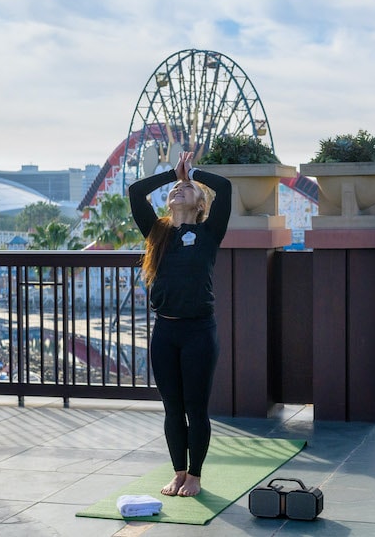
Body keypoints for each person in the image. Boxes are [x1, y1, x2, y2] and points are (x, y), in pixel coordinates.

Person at [128, 151, 231, 497]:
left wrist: (193, 172)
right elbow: (135, 192)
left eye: (187, 188)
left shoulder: (209, 231)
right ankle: (178, 472)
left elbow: (225, 188)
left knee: (195, 409)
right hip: (165, 332)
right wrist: (172, 175)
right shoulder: (157, 232)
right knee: (172, 409)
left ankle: (195, 476)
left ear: (201, 204)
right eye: (175, 189)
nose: (179, 189)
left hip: (199, 332)